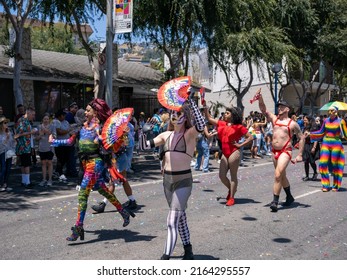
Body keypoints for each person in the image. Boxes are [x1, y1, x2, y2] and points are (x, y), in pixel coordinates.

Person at [49, 98, 135, 241]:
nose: (85, 112)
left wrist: (122, 135)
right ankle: (123, 211)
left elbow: (114, 146)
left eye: (88, 110)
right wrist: (54, 141)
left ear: (96, 113)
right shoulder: (81, 128)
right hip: (85, 163)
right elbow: (70, 142)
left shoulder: (101, 129)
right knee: (102, 189)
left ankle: (78, 228)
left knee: (83, 194)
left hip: (96, 163)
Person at [139, 90, 206, 260]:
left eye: (179, 113)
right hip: (167, 181)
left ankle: (166, 256)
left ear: (185, 116)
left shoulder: (189, 134)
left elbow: (200, 125)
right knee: (180, 216)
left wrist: (190, 102)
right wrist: (143, 131)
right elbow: (144, 147)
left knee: (171, 220)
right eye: (172, 113)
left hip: (183, 180)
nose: (175, 116)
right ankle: (188, 248)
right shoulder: (165, 135)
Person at [256, 89, 304, 212]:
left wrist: (299, 155)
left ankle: (275, 201)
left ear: (288, 109)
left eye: (282, 106)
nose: (280, 108)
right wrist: (260, 98)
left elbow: (301, 137)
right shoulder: (274, 119)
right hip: (274, 152)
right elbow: (263, 109)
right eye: (279, 106)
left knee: (277, 175)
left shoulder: (292, 124)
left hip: (285, 151)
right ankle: (289, 197)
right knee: (281, 176)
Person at [204, 106, 253, 206]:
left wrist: (240, 145)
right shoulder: (222, 123)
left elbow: (250, 137)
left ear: (233, 115)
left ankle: (231, 197)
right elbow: (208, 118)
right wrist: (205, 108)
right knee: (222, 176)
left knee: (233, 176)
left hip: (234, 151)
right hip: (224, 153)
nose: (225, 114)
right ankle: (231, 189)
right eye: (225, 113)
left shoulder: (239, 127)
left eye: (227, 113)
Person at [91, 122, 138, 213]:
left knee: (116, 181)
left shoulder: (120, 134)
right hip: (114, 160)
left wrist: (125, 134)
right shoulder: (110, 134)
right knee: (118, 181)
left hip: (120, 159)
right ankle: (132, 201)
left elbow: (126, 144)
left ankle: (103, 204)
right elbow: (99, 142)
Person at [310, 105, 347, 192]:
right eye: (329, 110)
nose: (331, 112)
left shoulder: (341, 121)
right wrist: (310, 134)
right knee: (322, 163)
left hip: (336, 143)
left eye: (333, 110)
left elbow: (345, 134)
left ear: (336, 112)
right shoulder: (326, 120)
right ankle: (325, 185)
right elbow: (321, 132)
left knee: (335, 164)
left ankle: (336, 185)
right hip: (326, 142)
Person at [14, 107, 37, 189]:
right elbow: (18, 134)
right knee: (26, 164)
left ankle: (24, 181)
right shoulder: (22, 121)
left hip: (26, 145)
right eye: (33, 115)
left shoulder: (27, 121)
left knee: (24, 164)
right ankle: (27, 182)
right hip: (23, 146)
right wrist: (31, 132)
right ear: (28, 113)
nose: (33, 116)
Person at [52, 109, 71, 183]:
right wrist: (67, 131)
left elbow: (70, 128)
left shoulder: (66, 122)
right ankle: (59, 172)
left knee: (65, 158)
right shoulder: (56, 121)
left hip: (66, 143)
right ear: (59, 116)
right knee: (60, 158)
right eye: (63, 115)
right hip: (59, 143)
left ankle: (57, 171)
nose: (64, 116)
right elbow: (59, 132)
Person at [37, 113, 55, 187]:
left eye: (47, 119)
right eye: (44, 119)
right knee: (43, 163)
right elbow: (36, 138)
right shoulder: (39, 127)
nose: (46, 120)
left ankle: (50, 179)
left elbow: (54, 136)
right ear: (42, 120)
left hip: (49, 147)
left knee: (49, 163)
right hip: (42, 147)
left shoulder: (52, 126)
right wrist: (40, 134)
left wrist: (46, 131)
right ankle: (44, 179)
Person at [302, 115, 320, 181]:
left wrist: (314, 147)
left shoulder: (314, 126)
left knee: (312, 161)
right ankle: (307, 175)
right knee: (305, 161)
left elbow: (316, 138)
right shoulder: (305, 126)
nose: (304, 121)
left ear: (309, 120)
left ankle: (315, 173)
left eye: (305, 120)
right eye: (304, 120)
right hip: (306, 145)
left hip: (312, 145)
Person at [0, 116, 16, 192]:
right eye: (5, 123)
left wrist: (14, 142)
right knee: (3, 169)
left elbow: (12, 142)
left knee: (8, 169)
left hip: (9, 152)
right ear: (1, 124)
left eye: (7, 123)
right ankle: (1, 184)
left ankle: (5, 184)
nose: (6, 124)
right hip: (2, 152)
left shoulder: (9, 132)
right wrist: (6, 139)